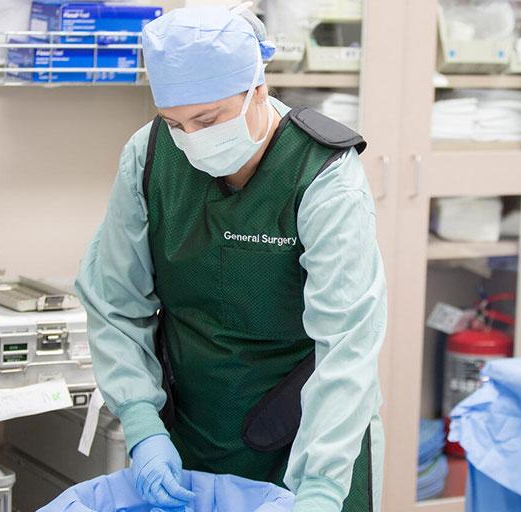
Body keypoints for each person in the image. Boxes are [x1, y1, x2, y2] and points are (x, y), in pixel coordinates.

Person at [74, 5, 386, 512]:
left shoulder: (323, 176)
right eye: (176, 122)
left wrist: (323, 490)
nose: (192, 140)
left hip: (312, 431)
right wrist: (140, 421)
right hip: (190, 425)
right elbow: (113, 301)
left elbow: (347, 343)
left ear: (257, 89)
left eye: (208, 119)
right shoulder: (150, 155)